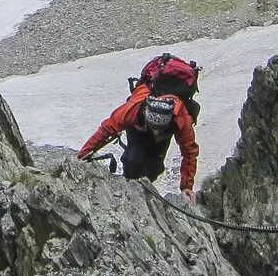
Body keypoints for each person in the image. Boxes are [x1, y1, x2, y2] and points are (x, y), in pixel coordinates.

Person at [77, 54, 200, 202]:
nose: (155, 134)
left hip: (156, 129)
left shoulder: (181, 118)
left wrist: (187, 186)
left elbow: (189, 151)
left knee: (154, 166)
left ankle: (143, 193)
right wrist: (82, 155)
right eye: (154, 129)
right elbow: (106, 129)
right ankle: (130, 190)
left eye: (159, 130)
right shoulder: (133, 109)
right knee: (132, 161)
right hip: (139, 128)